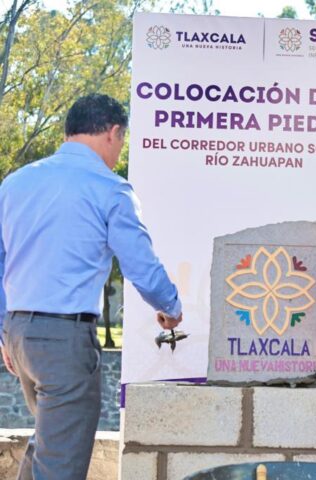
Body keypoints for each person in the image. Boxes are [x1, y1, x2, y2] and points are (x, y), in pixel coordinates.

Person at [0, 94, 183, 480]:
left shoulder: (15, 184)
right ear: (113, 133)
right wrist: (170, 306)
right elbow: (140, 265)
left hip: (19, 334)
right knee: (60, 465)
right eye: (121, 140)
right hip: (63, 339)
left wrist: (5, 329)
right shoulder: (109, 188)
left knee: (49, 446)